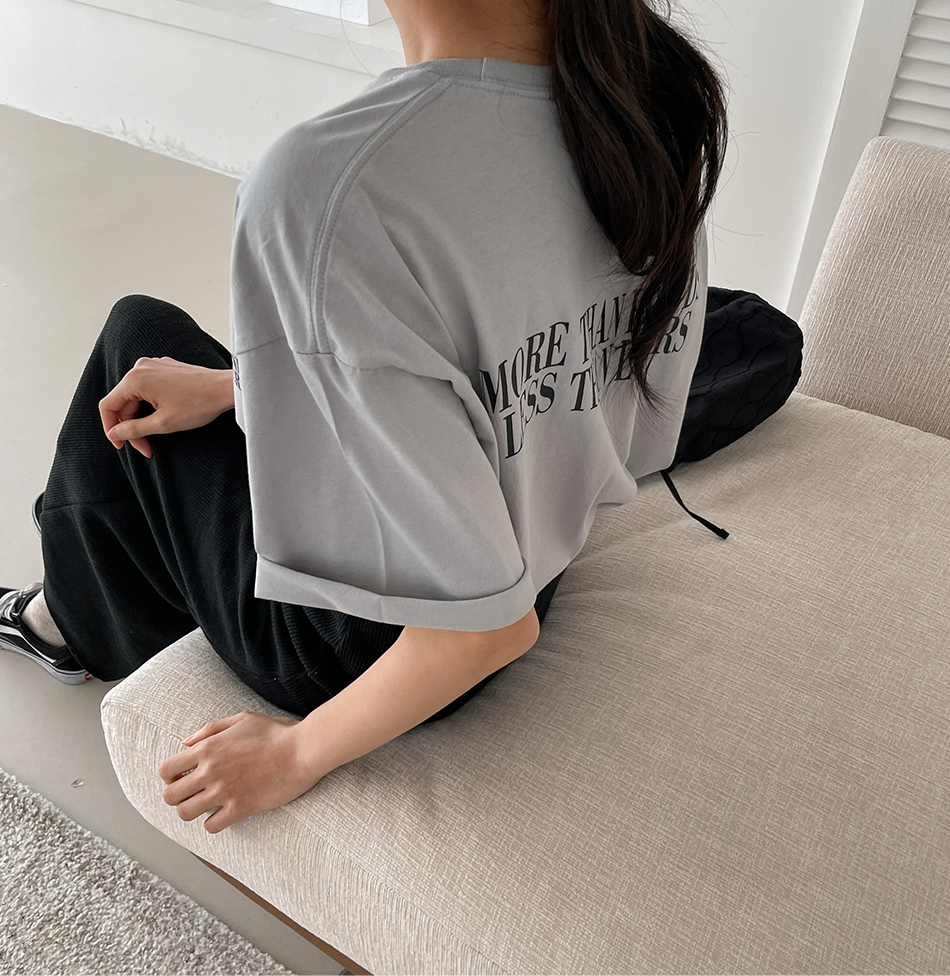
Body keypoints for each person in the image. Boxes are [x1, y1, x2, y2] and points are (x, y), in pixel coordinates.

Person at [0, 0, 728, 832]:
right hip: (535, 543)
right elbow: (487, 371)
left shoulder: (334, 184)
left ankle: (63, 625)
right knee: (179, 374)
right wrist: (246, 388)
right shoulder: (646, 99)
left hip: (366, 649)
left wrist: (294, 754)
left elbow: (487, 631)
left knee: (134, 335)